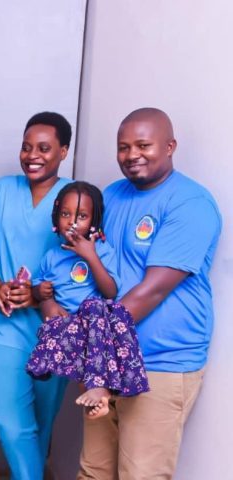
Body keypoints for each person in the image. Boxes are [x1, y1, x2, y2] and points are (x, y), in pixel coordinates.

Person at [77, 108, 222, 479]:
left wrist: (92, 344)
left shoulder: (190, 204)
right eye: (123, 147)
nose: (132, 155)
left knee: (141, 474)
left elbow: (152, 290)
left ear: (170, 147)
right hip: (107, 360)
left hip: (159, 362)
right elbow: (94, 268)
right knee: (94, 471)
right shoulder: (111, 196)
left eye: (143, 145)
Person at [0, 112, 73, 480]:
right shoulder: (1, 190)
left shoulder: (75, 196)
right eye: (26, 147)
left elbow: (87, 264)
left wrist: (38, 295)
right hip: (3, 322)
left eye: (44, 148)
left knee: (41, 421)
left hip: (55, 325)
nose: (32, 155)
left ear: (63, 151)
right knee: (8, 419)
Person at [25, 182, 149, 419]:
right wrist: (41, 292)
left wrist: (90, 256)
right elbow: (37, 289)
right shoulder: (52, 256)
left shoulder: (102, 250)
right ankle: (98, 398)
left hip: (95, 326)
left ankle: (99, 393)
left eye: (81, 216)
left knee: (93, 307)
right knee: (54, 329)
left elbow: (110, 291)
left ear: (94, 221)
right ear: (55, 215)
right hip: (69, 327)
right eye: (65, 214)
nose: (72, 222)